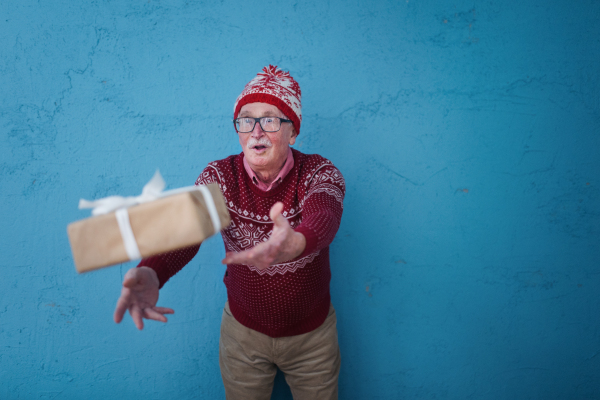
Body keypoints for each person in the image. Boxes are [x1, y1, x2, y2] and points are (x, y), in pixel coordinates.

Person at [113, 65, 346, 399]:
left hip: (313, 338)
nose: (256, 132)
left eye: (270, 119)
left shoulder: (319, 171)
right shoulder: (220, 177)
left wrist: (298, 241)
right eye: (246, 119)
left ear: (292, 132)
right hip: (242, 336)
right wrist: (152, 270)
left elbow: (325, 213)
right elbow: (188, 229)